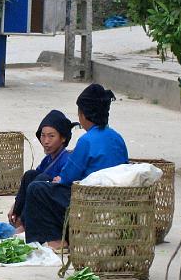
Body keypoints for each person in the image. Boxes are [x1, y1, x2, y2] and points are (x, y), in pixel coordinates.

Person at [23, 84, 129, 248]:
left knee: (37, 189)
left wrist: (60, 179)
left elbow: (68, 176)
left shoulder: (86, 140)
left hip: (90, 200)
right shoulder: (117, 137)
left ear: (85, 115)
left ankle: (56, 239)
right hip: (114, 196)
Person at [8, 110, 75, 232]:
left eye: (51, 136)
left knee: (40, 180)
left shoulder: (67, 159)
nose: (46, 141)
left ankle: (26, 226)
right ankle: (19, 219)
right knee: (30, 175)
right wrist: (16, 206)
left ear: (63, 138)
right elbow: (30, 180)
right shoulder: (48, 159)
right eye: (43, 135)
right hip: (44, 205)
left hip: (59, 209)